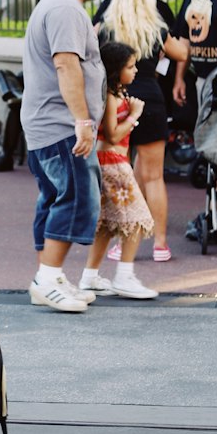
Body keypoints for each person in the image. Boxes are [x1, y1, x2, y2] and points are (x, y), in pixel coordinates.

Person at [20, 0, 105, 314]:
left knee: (55, 198)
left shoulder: (54, 5)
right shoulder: (65, 9)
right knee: (75, 199)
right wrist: (82, 121)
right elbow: (66, 65)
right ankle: (48, 277)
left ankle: (49, 276)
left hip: (48, 123)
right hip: (59, 125)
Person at [97, 0, 189, 263]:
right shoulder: (157, 29)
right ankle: (160, 244)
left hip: (117, 101)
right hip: (151, 100)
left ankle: (121, 243)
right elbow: (182, 53)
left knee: (121, 177)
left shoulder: (107, 29)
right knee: (154, 176)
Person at [78, 43, 158, 301]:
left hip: (110, 162)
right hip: (113, 163)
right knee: (136, 219)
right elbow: (112, 134)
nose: (135, 71)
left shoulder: (114, 93)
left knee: (107, 225)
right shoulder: (111, 96)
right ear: (116, 70)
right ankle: (124, 275)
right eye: (130, 66)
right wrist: (134, 115)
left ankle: (90, 276)